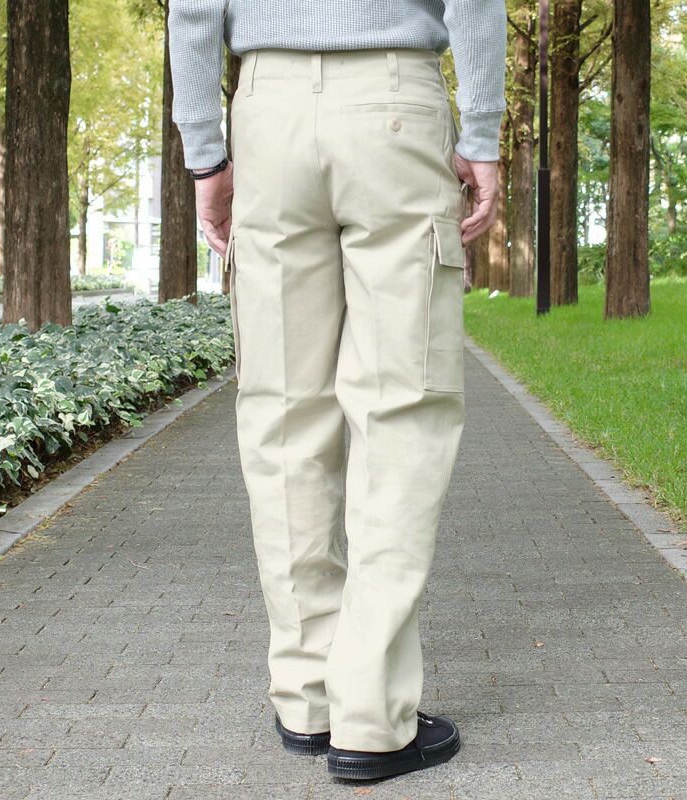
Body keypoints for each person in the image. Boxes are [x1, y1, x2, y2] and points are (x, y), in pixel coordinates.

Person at [168, 0, 506, 781]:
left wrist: (206, 156)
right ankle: (371, 715)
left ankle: (307, 698)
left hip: (267, 109)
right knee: (402, 411)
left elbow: (192, 7)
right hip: (395, 105)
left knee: (283, 415)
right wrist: (482, 133)